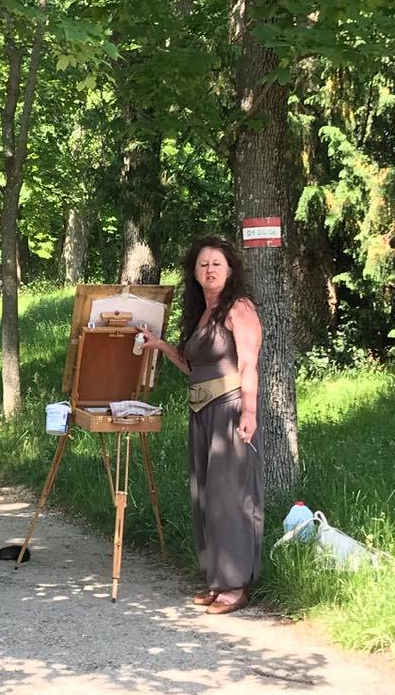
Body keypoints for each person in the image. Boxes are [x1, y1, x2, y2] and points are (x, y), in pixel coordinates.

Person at [138, 235, 263, 615]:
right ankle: (217, 580)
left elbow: (248, 365)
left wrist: (249, 413)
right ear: (194, 272)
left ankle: (236, 585)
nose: (209, 270)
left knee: (229, 498)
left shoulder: (239, 308)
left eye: (216, 264)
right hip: (200, 414)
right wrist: (160, 346)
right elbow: (192, 366)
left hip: (229, 412)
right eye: (203, 264)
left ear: (230, 270)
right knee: (205, 497)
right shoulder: (201, 314)